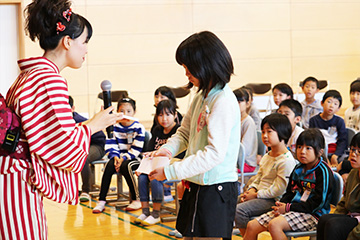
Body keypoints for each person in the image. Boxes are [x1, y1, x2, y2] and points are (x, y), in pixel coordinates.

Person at [0, 1, 123, 239]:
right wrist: (94, 125)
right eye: (84, 42)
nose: (86, 49)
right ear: (68, 42)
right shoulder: (50, 80)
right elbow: (62, 144)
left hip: (9, 174)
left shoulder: (29, 76)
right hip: (16, 179)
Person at [146, 31, 241, 240]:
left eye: (189, 68)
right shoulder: (201, 95)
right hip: (196, 183)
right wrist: (166, 150)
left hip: (216, 189)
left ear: (206, 64)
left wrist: (170, 171)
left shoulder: (222, 100)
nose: (186, 74)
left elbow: (214, 154)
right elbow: (185, 132)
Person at [244, 128, 335, 240]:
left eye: (308, 148)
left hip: (314, 214)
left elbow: (318, 203)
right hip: (293, 209)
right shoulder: (298, 168)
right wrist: (281, 206)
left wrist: (288, 207)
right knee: (252, 225)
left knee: (274, 225)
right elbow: (289, 192)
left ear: (320, 152)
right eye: (300, 147)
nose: (302, 151)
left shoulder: (323, 171)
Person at [234, 113, 297, 237]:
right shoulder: (268, 155)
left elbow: (279, 190)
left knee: (239, 210)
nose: (265, 136)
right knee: (232, 202)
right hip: (260, 195)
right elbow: (259, 177)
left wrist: (256, 195)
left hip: (274, 200)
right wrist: (251, 189)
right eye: (263, 132)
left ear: (282, 133)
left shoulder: (286, 161)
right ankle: (248, 236)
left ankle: (247, 237)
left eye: (269, 132)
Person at [135, 100, 184, 226]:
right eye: (160, 115)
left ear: (175, 115)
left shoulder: (178, 130)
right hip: (155, 163)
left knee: (155, 178)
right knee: (142, 177)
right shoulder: (157, 130)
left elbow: (181, 153)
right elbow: (150, 150)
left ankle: (156, 214)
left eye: (168, 114)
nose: (164, 119)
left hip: (172, 163)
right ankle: (145, 211)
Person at [93, 98, 145, 213]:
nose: (125, 114)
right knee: (109, 165)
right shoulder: (114, 126)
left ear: (134, 112)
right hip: (118, 157)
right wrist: (115, 157)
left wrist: (123, 158)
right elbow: (111, 144)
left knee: (126, 166)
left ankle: (136, 200)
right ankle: (101, 201)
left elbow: (136, 149)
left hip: (134, 158)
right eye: (122, 111)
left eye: (129, 111)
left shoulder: (139, 127)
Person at [317, 132, 360, 240]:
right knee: (324, 220)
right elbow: (344, 202)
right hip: (352, 216)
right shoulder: (354, 173)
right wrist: (334, 216)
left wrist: (353, 236)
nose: (353, 154)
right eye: (352, 149)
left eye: (359, 152)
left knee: (334, 225)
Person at [69, 96, 106, 202]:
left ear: (73, 109)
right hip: (80, 146)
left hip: (97, 145)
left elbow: (98, 136)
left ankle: (85, 191)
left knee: (82, 157)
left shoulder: (79, 120)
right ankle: (71, 189)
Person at [150, 86, 183, 201]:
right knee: (145, 174)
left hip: (173, 159)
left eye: (162, 96)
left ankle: (165, 192)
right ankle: (144, 203)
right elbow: (152, 144)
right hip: (159, 157)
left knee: (157, 173)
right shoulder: (157, 129)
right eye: (156, 96)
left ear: (174, 115)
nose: (158, 99)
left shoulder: (178, 127)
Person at [309, 89, 347, 166]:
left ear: (339, 108)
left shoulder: (339, 121)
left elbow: (343, 140)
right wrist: (322, 155)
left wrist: (335, 155)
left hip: (335, 152)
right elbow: (312, 140)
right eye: (329, 102)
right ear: (322, 103)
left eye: (335, 104)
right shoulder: (313, 120)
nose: (331, 106)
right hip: (319, 152)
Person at [233, 88, 258, 172]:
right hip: (236, 161)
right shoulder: (234, 120)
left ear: (247, 104)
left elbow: (244, 149)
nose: (236, 104)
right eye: (234, 101)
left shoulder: (248, 122)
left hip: (246, 163)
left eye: (239, 102)